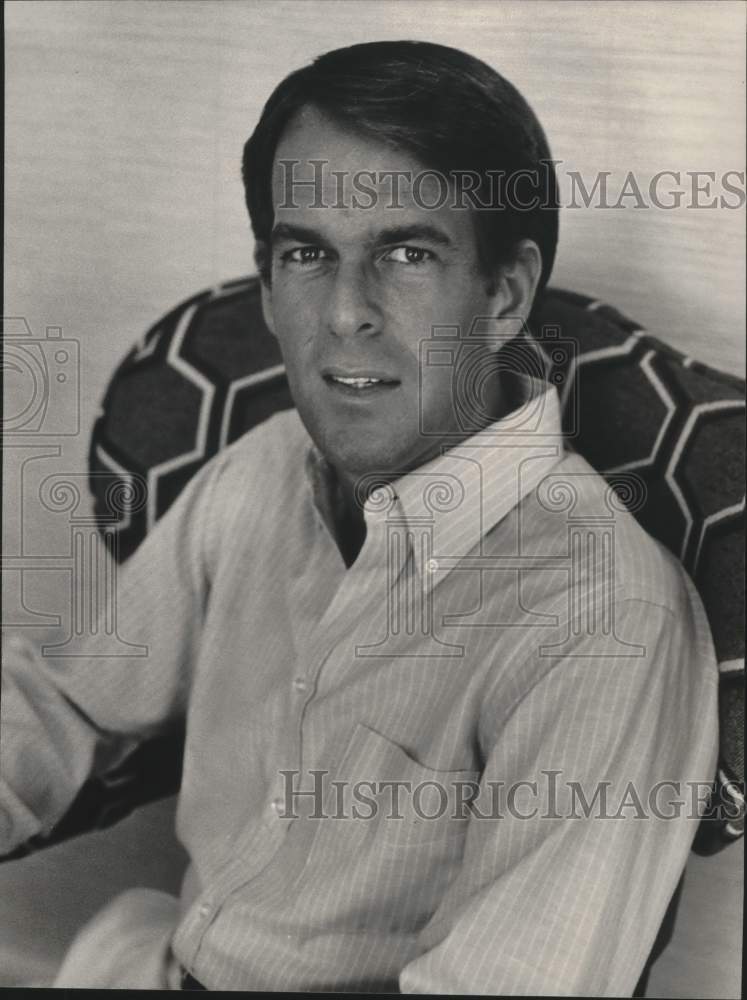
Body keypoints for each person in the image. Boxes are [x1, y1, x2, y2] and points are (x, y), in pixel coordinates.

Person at [0, 41, 718, 994]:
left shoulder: (606, 620)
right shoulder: (264, 467)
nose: (345, 314)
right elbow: (65, 703)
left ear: (503, 295)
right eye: (306, 254)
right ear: (267, 288)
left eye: (406, 254)